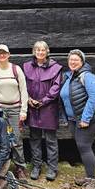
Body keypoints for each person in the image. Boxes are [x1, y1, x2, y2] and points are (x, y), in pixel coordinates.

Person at [60, 49, 95, 189]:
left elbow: (93, 98)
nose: (73, 62)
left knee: (84, 146)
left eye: (76, 60)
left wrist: (85, 119)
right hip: (74, 120)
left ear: (82, 62)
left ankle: (92, 181)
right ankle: (88, 175)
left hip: (89, 119)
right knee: (82, 147)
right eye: (71, 60)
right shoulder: (69, 77)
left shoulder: (88, 76)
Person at [0, 44, 29, 181]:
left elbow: (24, 90)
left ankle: (20, 167)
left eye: (4, 53)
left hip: (15, 109)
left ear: (8, 55)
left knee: (16, 139)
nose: (2, 55)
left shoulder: (16, 70)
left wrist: (24, 110)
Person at [23, 40, 63, 181]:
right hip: (32, 107)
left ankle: (52, 168)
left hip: (48, 108)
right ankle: (36, 166)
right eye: (37, 50)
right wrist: (28, 99)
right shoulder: (27, 66)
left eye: (43, 50)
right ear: (34, 52)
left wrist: (43, 101)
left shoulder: (56, 68)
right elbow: (23, 85)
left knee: (51, 140)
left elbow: (56, 88)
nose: (40, 52)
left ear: (47, 52)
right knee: (34, 139)